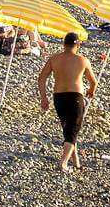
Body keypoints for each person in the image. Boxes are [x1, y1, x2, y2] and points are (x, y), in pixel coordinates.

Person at [37, 33, 97, 173]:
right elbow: (93, 82)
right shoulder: (82, 60)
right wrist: (91, 91)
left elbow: (41, 78)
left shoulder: (54, 59)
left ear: (64, 44)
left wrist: (43, 98)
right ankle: (63, 163)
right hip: (75, 97)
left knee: (68, 129)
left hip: (58, 98)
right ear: (78, 45)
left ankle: (76, 162)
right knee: (72, 130)